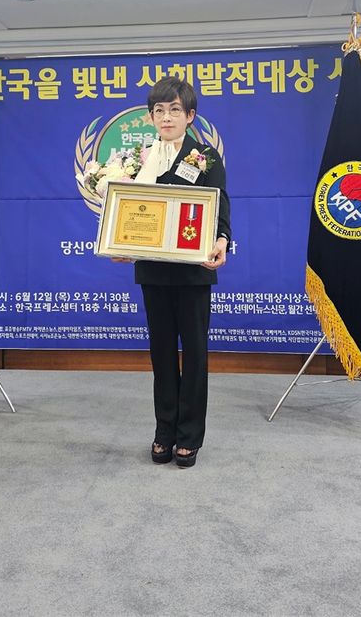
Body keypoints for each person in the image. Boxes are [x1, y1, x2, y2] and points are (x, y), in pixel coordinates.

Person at [114, 77, 231, 468]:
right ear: (151, 117)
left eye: (175, 110)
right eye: (159, 111)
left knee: (194, 354)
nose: (167, 117)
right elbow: (128, 210)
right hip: (153, 272)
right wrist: (121, 244)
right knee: (161, 354)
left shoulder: (205, 156)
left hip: (194, 271)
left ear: (189, 116)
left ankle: (189, 436)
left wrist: (222, 239)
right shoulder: (138, 159)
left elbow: (220, 203)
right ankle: (164, 431)